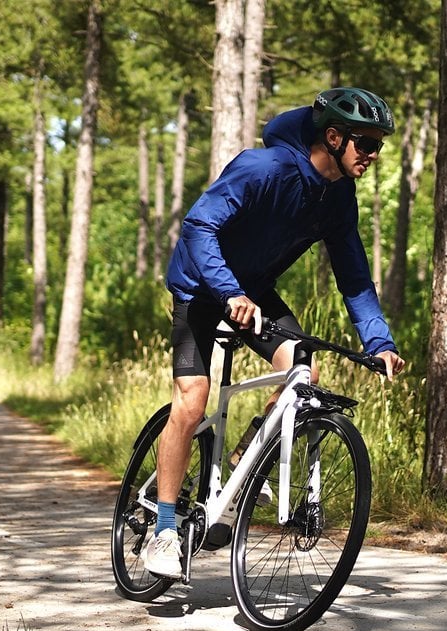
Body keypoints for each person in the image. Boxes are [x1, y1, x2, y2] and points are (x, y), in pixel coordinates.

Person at [145, 86, 406, 579]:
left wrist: (379, 342)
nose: (373, 155)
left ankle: (243, 469)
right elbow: (200, 228)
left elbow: (353, 276)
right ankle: (162, 531)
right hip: (200, 286)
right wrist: (228, 293)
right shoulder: (263, 168)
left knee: (302, 372)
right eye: (365, 144)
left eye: (379, 146)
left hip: (254, 290)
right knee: (193, 400)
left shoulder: (337, 199)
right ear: (333, 137)